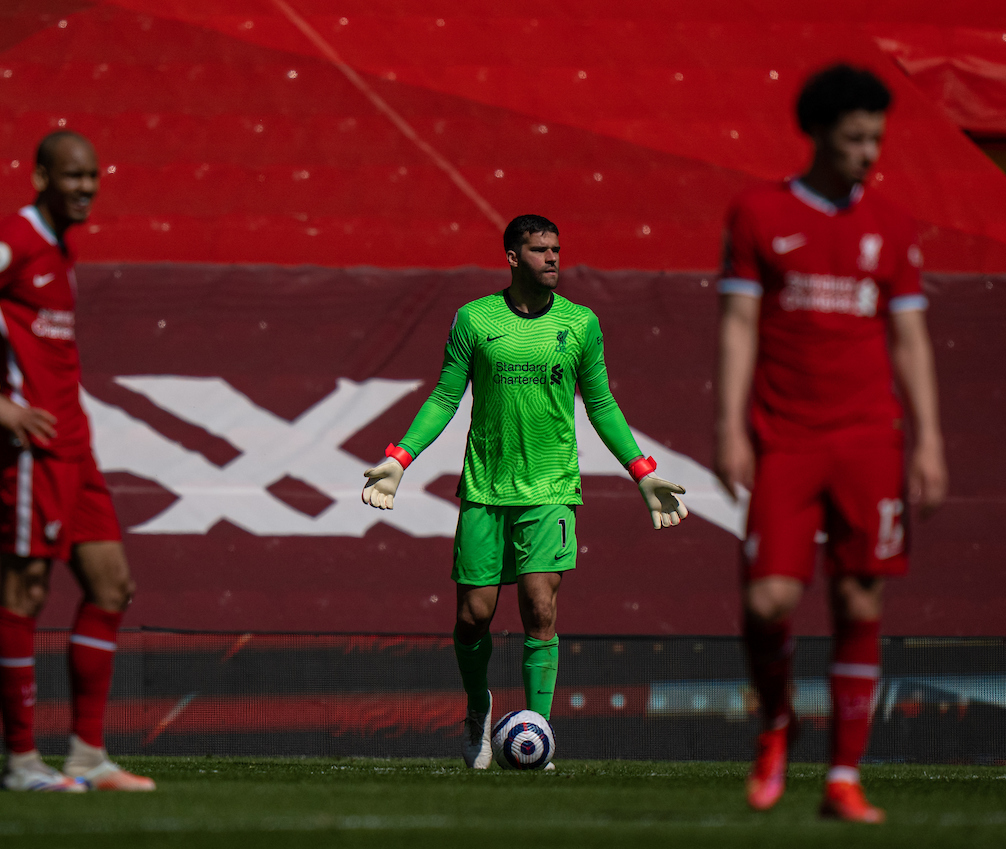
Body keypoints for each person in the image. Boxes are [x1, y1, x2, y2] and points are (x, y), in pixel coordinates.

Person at [362, 214, 688, 768]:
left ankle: (539, 736)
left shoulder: (581, 324)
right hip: (485, 491)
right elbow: (445, 396)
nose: (553, 259)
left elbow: (602, 404)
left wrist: (644, 471)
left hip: (550, 489)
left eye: (557, 249)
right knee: (473, 617)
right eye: (540, 250)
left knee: (541, 608)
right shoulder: (475, 319)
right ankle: (477, 708)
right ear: (513, 257)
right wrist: (399, 458)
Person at [714, 65, 947, 822]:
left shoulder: (894, 224)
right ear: (816, 133)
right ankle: (776, 724)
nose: (868, 151)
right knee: (768, 599)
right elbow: (740, 325)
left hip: (869, 439)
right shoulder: (757, 213)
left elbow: (909, 337)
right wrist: (729, 425)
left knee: (859, 594)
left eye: (876, 137)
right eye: (854, 137)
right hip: (785, 436)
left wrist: (928, 439)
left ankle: (843, 776)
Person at [0, 131, 155, 792]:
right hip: (32, 445)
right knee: (26, 591)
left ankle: (87, 754)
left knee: (112, 586)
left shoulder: (60, 242)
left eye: (94, 176)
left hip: (76, 444)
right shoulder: (14, 240)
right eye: (73, 175)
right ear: (41, 175)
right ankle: (22, 761)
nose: (86, 188)